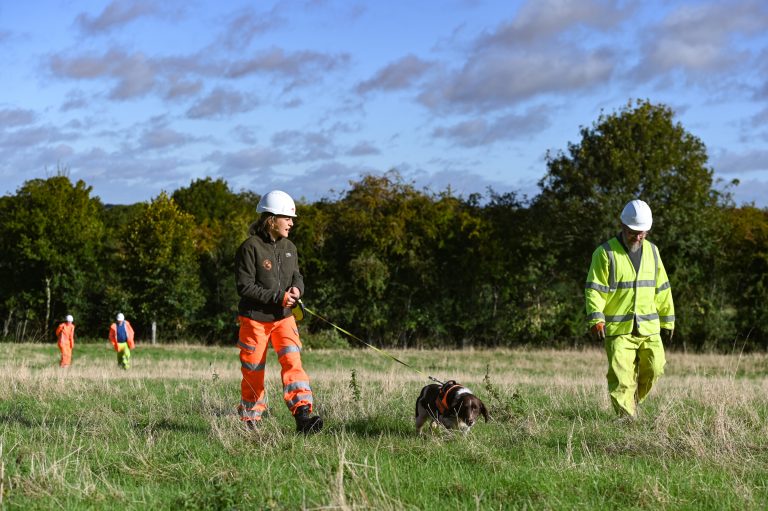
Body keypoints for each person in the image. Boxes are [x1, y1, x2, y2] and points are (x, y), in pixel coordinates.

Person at [235, 190, 323, 433]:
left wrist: (297, 289)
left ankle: (303, 416)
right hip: (254, 320)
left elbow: (297, 275)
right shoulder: (249, 247)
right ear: (271, 218)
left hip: (284, 318)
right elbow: (245, 287)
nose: (291, 223)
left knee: (293, 362)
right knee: (253, 371)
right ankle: (250, 422)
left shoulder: (290, 247)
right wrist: (278, 296)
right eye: (287, 218)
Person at [585, 199, 675, 419]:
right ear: (623, 227)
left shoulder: (653, 252)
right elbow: (594, 289)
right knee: (622, 378)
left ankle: (631, 403)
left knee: (655, 368)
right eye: (634, 232)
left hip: (649, 327)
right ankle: (627, 420)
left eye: (642, 233)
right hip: (618, 330)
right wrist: (596, 319)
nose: (638, 237)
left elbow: (662, 288)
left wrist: (668, 320)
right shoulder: (604, 253)